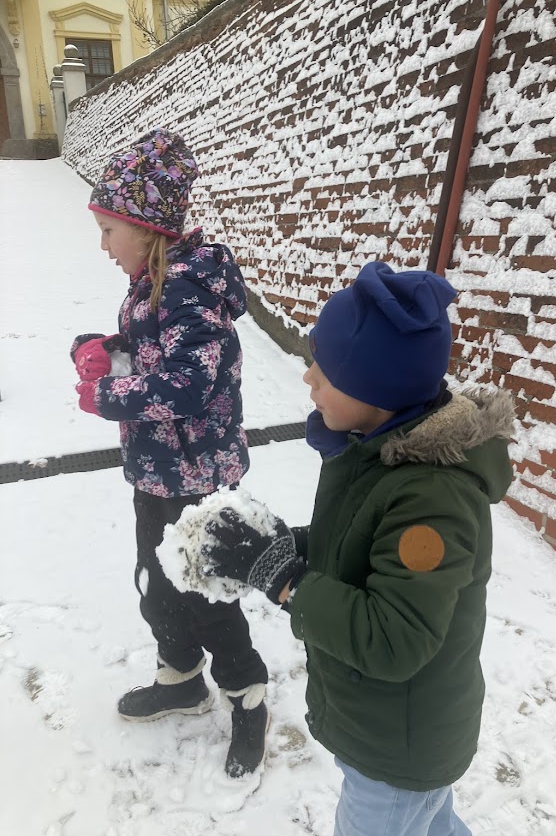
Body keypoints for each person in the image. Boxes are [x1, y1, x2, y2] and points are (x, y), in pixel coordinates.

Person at [183, 260, 516, 832]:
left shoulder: (431, 503)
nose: (307, 378)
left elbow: (393, 639)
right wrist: (283, 546)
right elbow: (362, 546)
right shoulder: (378, 450)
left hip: (398, 750)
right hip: (384, 728)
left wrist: (285, 580)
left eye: (325, 368)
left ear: (374, 387)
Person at [71, 128, 268, 778]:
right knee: (157, 586)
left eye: (108, 231)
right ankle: (181, 680)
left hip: (197, 478)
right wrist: (106, 351)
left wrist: (109, 394)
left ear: (146, 227)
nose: (103, 246)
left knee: (208, 596)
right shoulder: (149, 283)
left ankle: (247, 697)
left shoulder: (191, 288)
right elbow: (151, 356)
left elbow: (189, 384)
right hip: (156, 472)